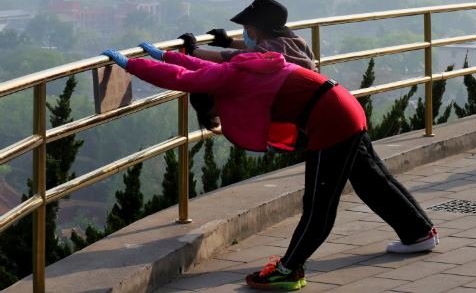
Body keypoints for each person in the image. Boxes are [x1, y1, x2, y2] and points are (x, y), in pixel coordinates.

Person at [100, 44, 438, 291]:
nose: (217, 116)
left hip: (330, 120)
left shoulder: (226, 81)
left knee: (319, 203)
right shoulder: (241, 68)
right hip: (343, 105)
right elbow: (194, 68)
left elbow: (182, 78)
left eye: (214, 112)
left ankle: (288, 269)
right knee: (372, 180)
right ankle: (419, 233)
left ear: (213, 97)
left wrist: (133, 65)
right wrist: (164, 55)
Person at [180, 0, 316, 70]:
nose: (245, 31)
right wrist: (229, 42)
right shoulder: (295, 41)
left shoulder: (268, 49)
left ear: (260, 29)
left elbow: (227, 58)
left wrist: (193, 49)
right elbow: (256, 47)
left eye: (246, 27)